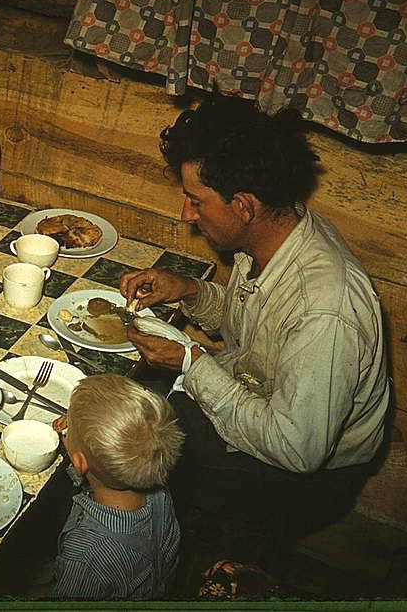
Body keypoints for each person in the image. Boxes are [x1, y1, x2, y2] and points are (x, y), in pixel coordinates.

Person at [119, 94, 390, 555]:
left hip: (302, 474)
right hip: (262, 403)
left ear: (243, 205)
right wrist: (189, 290)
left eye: (195, 200)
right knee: (139, 404)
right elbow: (254, 328)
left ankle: (141, 562)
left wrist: (192, 362)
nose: (186, 213)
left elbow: (296, 450)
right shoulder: (278, 232)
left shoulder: (326, 310)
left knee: (132, 445)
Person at [49, 374, 184, 600]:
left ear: (80, 462)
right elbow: (98, 475)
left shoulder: (84, 557)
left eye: (68, 424)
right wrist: (75, 445)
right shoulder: (159, 492)